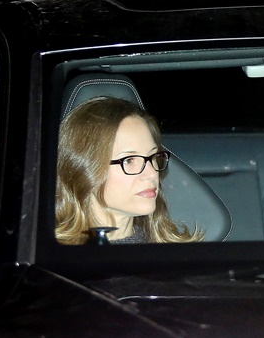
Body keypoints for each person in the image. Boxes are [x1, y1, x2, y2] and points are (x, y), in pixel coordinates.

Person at [55, 96, 204, 244]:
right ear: (84, 170)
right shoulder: (54, 257)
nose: (152, 174)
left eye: (153, 157)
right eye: (129, 160)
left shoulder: (177, 253)